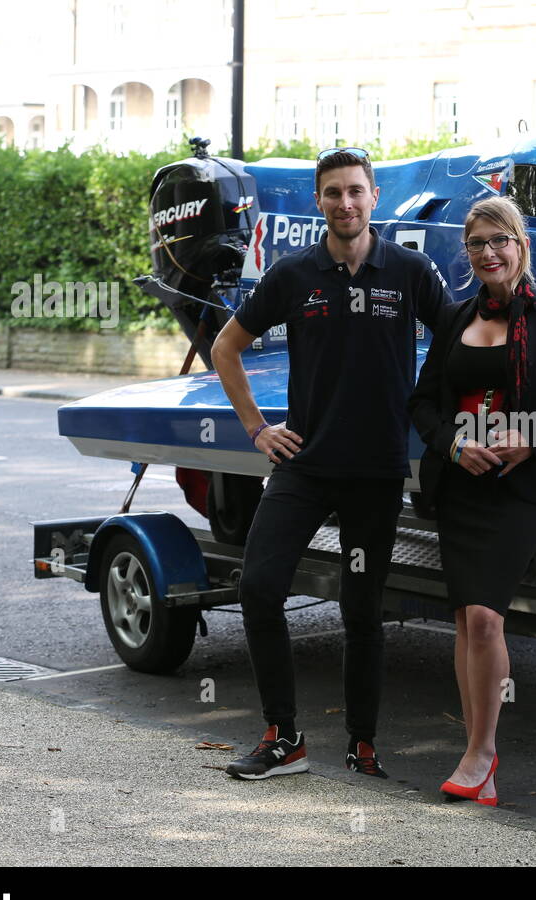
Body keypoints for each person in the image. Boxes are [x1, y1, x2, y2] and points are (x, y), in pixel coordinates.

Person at [210, 147, 451, 780]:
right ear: (319, 201)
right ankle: (283, 737)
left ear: (374, 198)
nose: (345, 203)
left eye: (355, 191)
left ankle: (362, 744)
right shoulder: (294, 275)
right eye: (333, 193)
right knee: (259, 587)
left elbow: (463, 340)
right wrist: (257, 428)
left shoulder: (410, 271)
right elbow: (225, 347)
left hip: (374, 470)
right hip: (305, 465)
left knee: (362, 610)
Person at [407, 196, 536, 806]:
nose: (489, 253)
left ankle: (481, 753)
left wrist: (532, 437)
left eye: (500, 241)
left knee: (489, 616)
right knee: (466, 619)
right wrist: (453, 445)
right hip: (463, 482)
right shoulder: (454, 317)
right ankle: (475, 747)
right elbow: (424, 405)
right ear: (467, 254)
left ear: (521, 244)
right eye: (477, 244)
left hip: (520, 486)